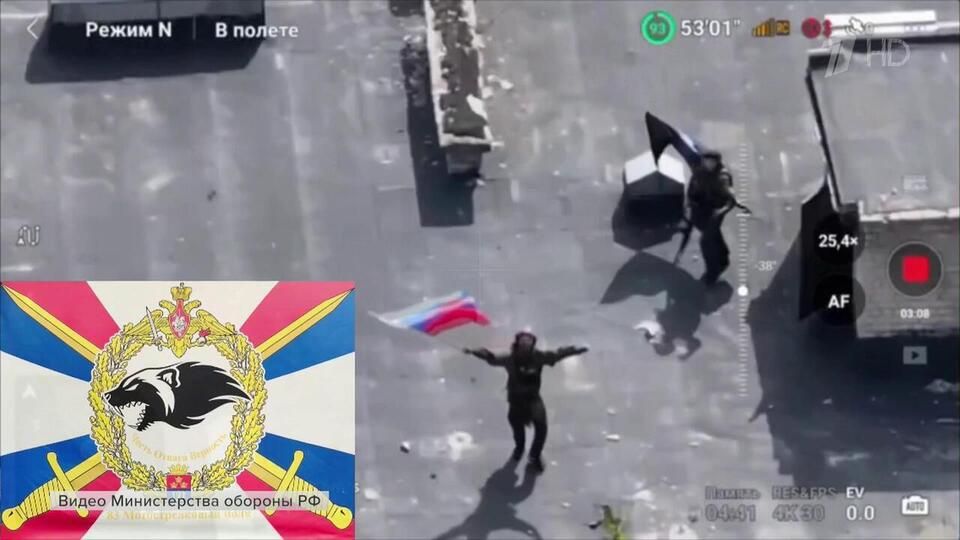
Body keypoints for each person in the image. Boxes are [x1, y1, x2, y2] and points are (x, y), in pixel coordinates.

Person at [464, 331, 588, 473]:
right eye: (523, 342)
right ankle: (519, 448)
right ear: (518, 343)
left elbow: (558, 354)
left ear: (532, 344)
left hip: (533, 398)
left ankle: (534, 455)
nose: (525, 345)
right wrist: (474, 352)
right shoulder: (510, 359)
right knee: (517, 427)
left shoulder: (539, 357)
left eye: (528, 343)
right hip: (516, 400)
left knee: (541, 428)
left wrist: (576, 350)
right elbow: (491, 358)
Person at [685, 150, 736, 285]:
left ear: (717, 162)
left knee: (705, 242)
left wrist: (719, 213)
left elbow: (731, 201)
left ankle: (712, 272)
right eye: (706, 161)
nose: (708, 164)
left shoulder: (722, 177)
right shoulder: (699, 173)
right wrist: (690, 202)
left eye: (711, 162)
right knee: (713, 236)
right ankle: (723, 256)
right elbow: (691, 189)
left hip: (715, 213)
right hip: (701, 212)